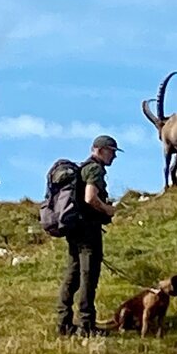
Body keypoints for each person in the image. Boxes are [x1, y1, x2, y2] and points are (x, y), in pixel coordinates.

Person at [57, 135, 121, 337]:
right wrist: (107, 210)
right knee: (88, 277)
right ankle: (86, 325)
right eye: (112, 151)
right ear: (100, 150)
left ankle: (64, 323)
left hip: (74, 229)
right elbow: (90, 197)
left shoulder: (81, 168)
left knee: (72, 276)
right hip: (88, 230)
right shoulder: (95, 169)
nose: (114, 156)